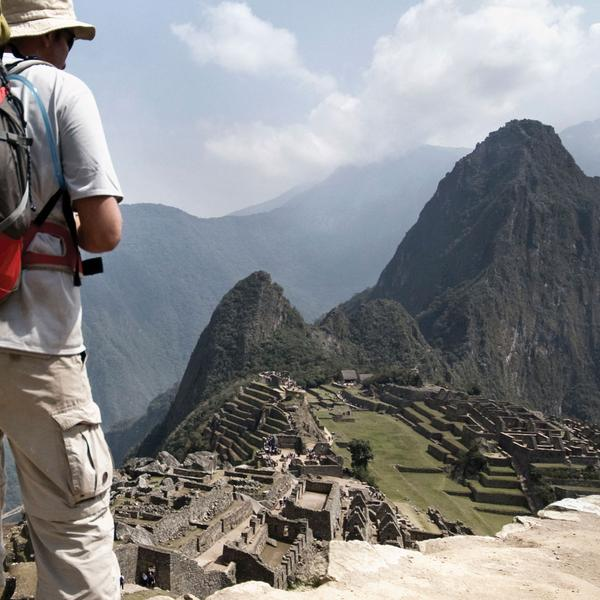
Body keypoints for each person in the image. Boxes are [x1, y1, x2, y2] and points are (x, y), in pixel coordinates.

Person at [0, 1, 123, 599]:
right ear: (49, 37)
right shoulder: (60, 92)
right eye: (68, 38)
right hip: (37, 343)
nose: (70, 51)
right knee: (75, 532)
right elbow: (104, 231)